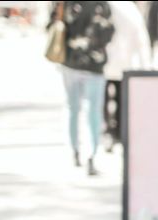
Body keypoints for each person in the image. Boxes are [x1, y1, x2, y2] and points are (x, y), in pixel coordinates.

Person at [51, 1, 115, 175]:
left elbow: (52, 24)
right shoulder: (101, 4)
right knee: (92, 111)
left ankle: (77, 151)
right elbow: (109, 31)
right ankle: (90, 154)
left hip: (72, 61)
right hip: (93, 63)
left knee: (75, 109)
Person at [104, 1, 151, 151]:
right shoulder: (129, 8)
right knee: (121, 100)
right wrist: (145, 65)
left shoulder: (106, 5)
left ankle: (108, 131)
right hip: (123, 63)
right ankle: (118, 132)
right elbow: (141, 37)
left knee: (104, 100)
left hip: (104, 62)